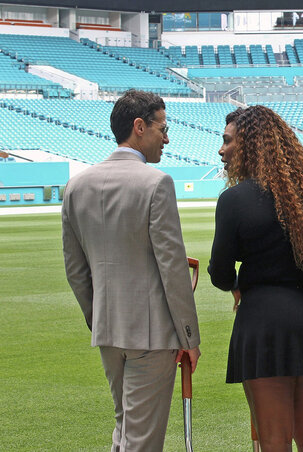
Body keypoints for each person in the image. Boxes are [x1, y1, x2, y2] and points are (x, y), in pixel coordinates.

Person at [62, 89, 201, 451]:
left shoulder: (76, 186)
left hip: (108, 330)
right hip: (152, 336)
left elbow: (76, 270)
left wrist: (99, 317)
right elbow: (173, 269)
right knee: (141, 440)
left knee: (124, 431)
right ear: (139, 127)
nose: (167, 138)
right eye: (162, 128)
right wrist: (189, 339)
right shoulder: (156, 183)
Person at [208, 105, 303, 452]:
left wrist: (241, 278)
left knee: (274, 440)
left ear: (251, 144)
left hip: (264, 322)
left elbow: (221, 273)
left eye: (227, 141)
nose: (221, 150)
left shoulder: (233, 200)